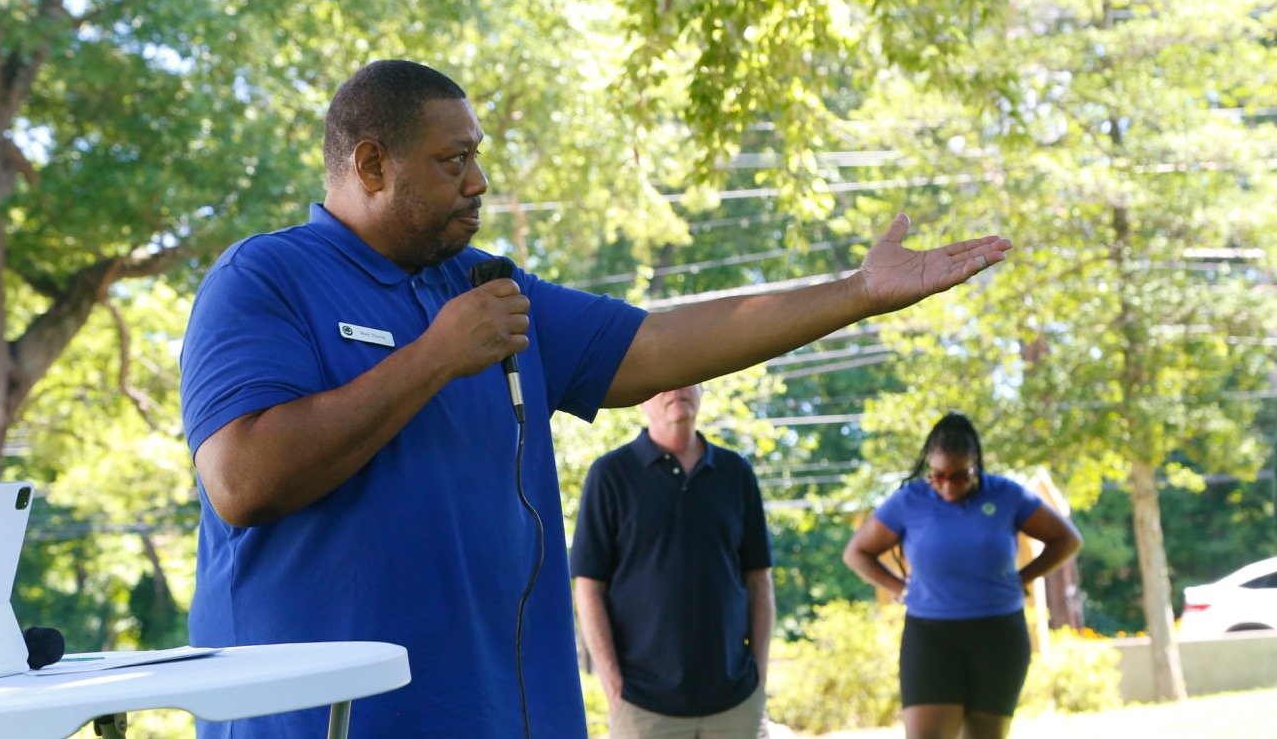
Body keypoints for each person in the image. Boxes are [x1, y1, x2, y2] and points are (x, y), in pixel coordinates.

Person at [179, 58, 1013, 738]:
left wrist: (857, 292)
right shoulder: (265, 277)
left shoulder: (485, 286)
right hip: (319, 722)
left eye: (477, 153)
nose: (478, 180)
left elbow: (654, 345)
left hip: (496, 715)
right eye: (452, 159)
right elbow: (243, 478)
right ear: (370, 164)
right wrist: (434, 356)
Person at [842, 412, 1082, 739]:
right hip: (930, 635)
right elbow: (856, 552)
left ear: (976, 465)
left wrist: (1022, 577)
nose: (947, 485)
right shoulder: (909, 501)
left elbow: (1067, 539)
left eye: (959, 476)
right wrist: (901, 588)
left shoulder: (1006, 495)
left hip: (998, 633)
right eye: (937, 476)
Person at [571, 384, 774, 738]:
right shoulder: (610, 474)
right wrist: (614, 688)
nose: (675, 388)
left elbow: (759, 583)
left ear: (702, 390)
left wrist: (759, 678)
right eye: (661, 382)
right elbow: (588, 590)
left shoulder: (736, 473)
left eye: (687, 378)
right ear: (641, 400)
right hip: (643, 707)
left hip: (736, 704)